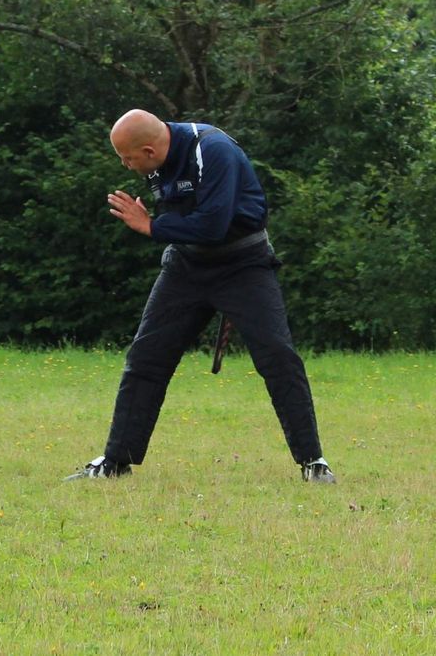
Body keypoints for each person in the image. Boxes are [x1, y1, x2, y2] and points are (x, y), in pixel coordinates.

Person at [65, 109, 336, 484]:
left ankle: (314, 462)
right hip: (186, 266)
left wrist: (151, 226)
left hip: (243, 265)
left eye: (127, 158)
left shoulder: (212, 150)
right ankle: (115, 462)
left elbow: (212, 225)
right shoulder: (156, 163)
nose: (125, 165)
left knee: (278, 356)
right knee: (146, 358)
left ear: (149, 150)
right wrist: (161, 227)